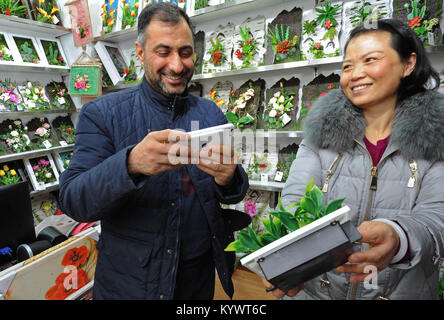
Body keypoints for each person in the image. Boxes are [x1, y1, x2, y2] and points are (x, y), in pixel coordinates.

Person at [59, 2, 249, 300]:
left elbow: (234, 191)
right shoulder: (102, 114)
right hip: (131, 285)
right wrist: (130, 164)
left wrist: (229, 178)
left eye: (185, 53)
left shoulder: (210, 113)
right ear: (139, 52)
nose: (176, 65)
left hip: (196, 283)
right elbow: (73, 200)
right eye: (163, 52)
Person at [263, 19, 444, 299]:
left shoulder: (437, 136)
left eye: (370, 60)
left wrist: (399, 237)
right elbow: (295, 201)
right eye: (347, 66)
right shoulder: (321, 133)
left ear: (408, 64)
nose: (355, 74)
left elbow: (437, 218)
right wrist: (289, 261)